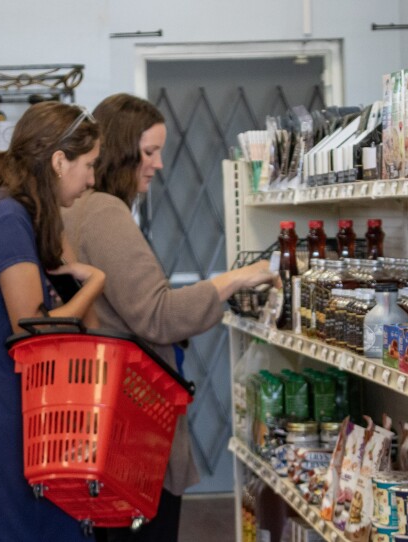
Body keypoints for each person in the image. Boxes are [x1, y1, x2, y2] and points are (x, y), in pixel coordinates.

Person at [63, 93, 275, 542]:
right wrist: (235, 279)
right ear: (121, 149)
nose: (158, 164)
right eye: (149, 151)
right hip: (132, 432)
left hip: (103, 426)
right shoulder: (102, 211)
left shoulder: (80, 209)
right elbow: (158, 316)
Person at [0, 101, 105, 541]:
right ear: (58, 161)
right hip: (6, 433)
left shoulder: (8, 212)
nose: (92, 180)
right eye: (88, 165)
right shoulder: (6, 219)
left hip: (5, 425)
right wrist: (96, 282)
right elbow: (32, 330)